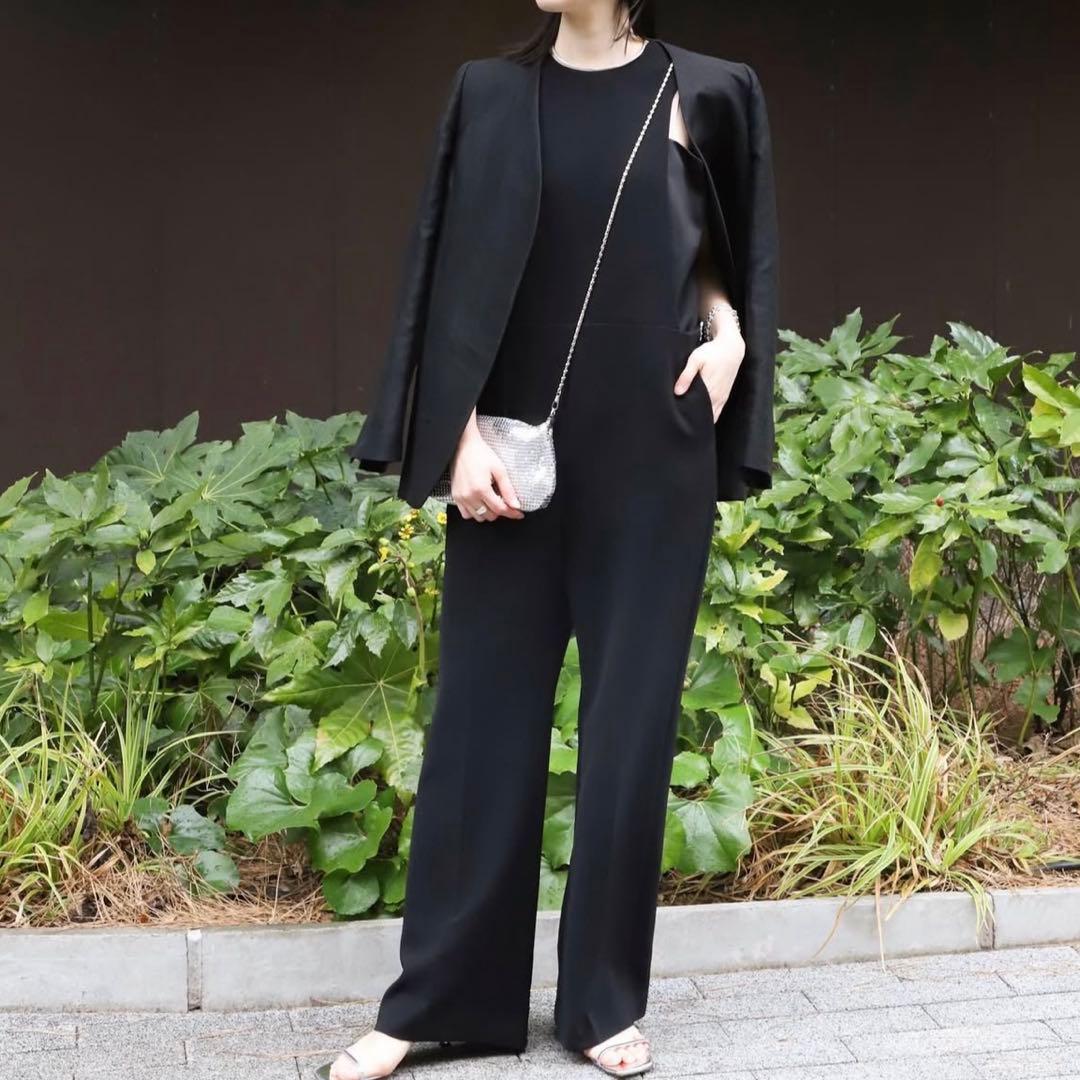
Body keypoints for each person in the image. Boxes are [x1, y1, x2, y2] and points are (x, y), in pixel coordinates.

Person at [333, 1, 778, 1076]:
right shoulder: (488, 95)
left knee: (630, 731)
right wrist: (454, 436)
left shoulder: (709, 89)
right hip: (507, 459)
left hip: (656, 450)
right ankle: (439, 1001)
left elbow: (722, 246)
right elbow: (442, 274)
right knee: (479, 729)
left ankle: (601, 1005)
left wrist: (728, 334)